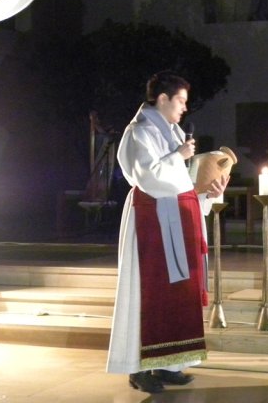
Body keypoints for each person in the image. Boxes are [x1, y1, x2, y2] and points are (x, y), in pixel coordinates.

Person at [107, 71, 228, 393]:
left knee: (177, 295)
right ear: (162, 99)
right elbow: (147, 176)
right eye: (181, 101)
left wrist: (207, 190)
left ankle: (169, 363)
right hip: (151, 217)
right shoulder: (140, 131)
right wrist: (179, 156)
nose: (184, 108)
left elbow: (183, 181)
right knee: (147, 294)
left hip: (174, 216)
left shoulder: (171, 130)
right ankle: (139, 367)